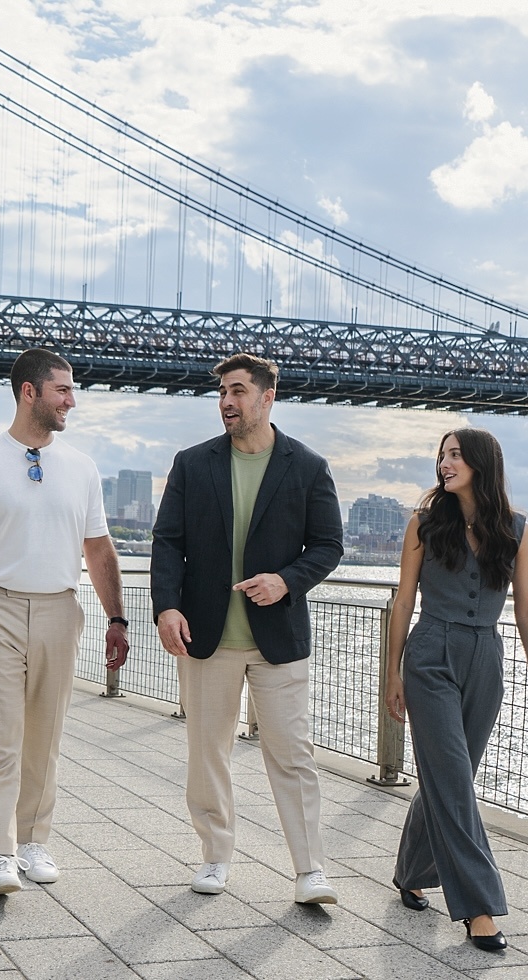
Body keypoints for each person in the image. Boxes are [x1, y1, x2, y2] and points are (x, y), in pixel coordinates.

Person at [0, 348, 131, 897]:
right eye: (63, 390)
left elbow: (98, 547)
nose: (72, 401)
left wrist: (116, 617)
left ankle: (34, 841)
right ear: (29, 392)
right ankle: (0, 852)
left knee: (45, 736)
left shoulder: (82, 467)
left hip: (59, 609)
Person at [150, 352, 345, 904]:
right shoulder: (192, 463)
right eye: (222, 393)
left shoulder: (308, 466)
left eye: (237, 391)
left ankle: (310, 871)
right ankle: (215, 856)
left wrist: (286, 580)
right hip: (206, 638)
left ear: (267, 397)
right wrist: (167, 607)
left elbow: (328, 545)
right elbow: (167, 542)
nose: (227, 402)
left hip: (278, 639)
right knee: (207, 754)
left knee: (293, 755)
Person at [383, 428, 528, 952]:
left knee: (451, 776)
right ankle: (480, 907)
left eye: (455, 455)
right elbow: (404, 600)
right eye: (442, 456)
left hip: (486, 658)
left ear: (482, 463)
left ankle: (411, 871)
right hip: (430, 655)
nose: (444, 463)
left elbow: (525, 607)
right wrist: (393, 672)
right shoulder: (424, 523)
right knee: (454, 781)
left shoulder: (518, 531)